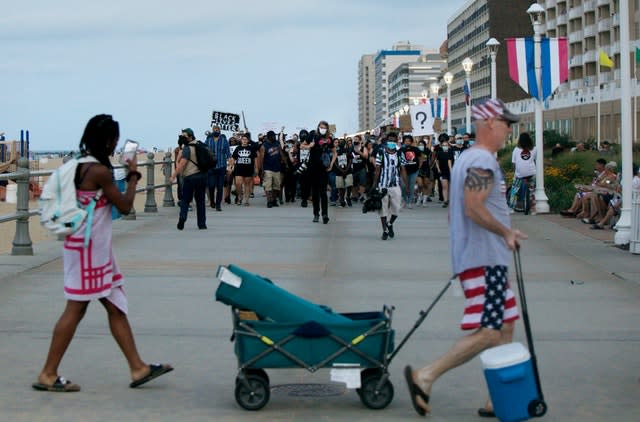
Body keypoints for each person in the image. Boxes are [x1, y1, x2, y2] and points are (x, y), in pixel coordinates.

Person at [404, 98, 526, 417]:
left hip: (483, 259)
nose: (508, 131)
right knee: (489, 330)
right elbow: (473, 207)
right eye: (505, 124)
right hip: (484, 260)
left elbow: (455, 213)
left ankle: (497, 397)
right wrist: (506, 233)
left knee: (507, 324)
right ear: (488, 124)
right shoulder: (482, 161)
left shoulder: (466, 159)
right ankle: (425, 376)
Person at [33, 114, 172, 393]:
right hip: (88, 253)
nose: (117, 144)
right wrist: (132, 176)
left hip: (91, 250)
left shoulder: (77, 165)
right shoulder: (98, 171)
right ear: (107, 140)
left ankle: (137, 367)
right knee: (76, 307)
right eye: (115, 139)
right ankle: (48, 373)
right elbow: (124, 206)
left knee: (115, 305)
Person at [170, 128, 208, 230]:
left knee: (185, 200)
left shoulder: (187, 148)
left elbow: (182, 164)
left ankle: (182, 217)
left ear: (190, 137)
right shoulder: (201, 145)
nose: (182, 138)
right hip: (202, 176)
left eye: (184, 136)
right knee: (200, 201)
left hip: (190, 177)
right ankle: (202, 224)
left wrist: (173, 176)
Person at [374, 132, 406, 240]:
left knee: (397, 208)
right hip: (383, 185)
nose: (391, 142)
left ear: (396, 141)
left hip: (395, 185)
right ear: (386, 141)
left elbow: (403, 169)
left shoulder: (399, 153)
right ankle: (385, 230)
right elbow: (377, 169)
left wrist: (405, 185)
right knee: (383, 209)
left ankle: (390, 223)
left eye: (394, 140)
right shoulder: (381, 152)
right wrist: (375, 184)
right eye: (390, 140)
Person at [308, 121, 335, 224]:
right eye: (321, 127)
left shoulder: (329, 139)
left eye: (324, 127)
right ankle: (316, 214)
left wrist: (331, 164)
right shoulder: (313, 135)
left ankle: (325, 214)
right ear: (318, 127)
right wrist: (309, 146)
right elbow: (302, 145)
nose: (322, 129)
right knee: (315, 193)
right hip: (313, 167)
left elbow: (334, 152)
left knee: (323, 192)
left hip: (323, 168)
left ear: (327, 129)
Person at [508, 132, 536, 214]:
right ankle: (533, 209)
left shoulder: (516, 150)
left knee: (514, 190)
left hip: (519, 174)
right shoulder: (534, 149)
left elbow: (513, 163)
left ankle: (511, 208)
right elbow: (535, 160)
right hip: (531, 173)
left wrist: (515, 173)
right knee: (531, 191)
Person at [205, 125, 230, 211]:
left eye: (217, 129)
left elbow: (228, 154)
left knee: (220, 186)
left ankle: (218, 204)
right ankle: (212, 200)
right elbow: (204, 152)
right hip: (211, 167)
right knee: (211, 186)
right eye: (214, 129)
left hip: (221, 166)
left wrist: (230, 167)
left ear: (220, 131)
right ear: (212, 131)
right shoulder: (208, 140)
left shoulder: (224, 141)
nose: (216, 131)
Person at [259, 130, 284, 208]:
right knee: (268, 186)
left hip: (277, 168)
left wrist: (285, 162)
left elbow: (281, 153)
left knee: (277, 186)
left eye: (275, 136)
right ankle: (269, 201)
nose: (274, 137)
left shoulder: (277, 144)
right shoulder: (264, 146)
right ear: (269, 137)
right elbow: (261, 159)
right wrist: (262, 170)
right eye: (273, 136)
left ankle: (274, 200)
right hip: (268, 168)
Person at [231, 133, 258, 206]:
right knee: (238, 184)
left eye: (246, 139)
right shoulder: (238, 148)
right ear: (241, 140)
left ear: (248, 140)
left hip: (248, 168)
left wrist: (256, 168)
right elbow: (233, 158)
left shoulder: (251, 148)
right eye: (243, 139)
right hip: (239, 169)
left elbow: (255, 159)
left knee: (247, 184)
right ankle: (240, 196)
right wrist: (231, 166)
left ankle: (246, 200)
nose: (244, 141)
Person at [399, 134, 421, 208]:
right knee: (403, 186)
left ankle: (409, 202)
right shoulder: (401, 150)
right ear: (403, 142)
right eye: (406, 141)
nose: (407, 142)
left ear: (411, 142)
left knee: (411, 186)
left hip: (414, 171)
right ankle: (404, 199)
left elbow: (422, 157)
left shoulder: (415, 149)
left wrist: (419, 166)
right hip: (403, 171)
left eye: (409, 141)